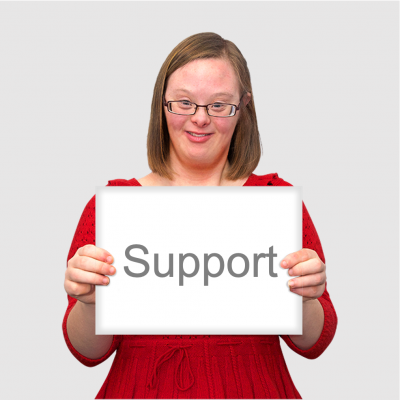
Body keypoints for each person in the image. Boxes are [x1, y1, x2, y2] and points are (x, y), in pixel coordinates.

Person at [63, 32, 337, 399]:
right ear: (162, 104)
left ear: (243, 108)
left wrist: (306, 298)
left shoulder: (274, 201)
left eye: (219, 105)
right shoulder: (116, 205)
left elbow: (313, 343)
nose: (200, 119)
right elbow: (87, 352)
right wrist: (89, 302)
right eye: (183, 103)